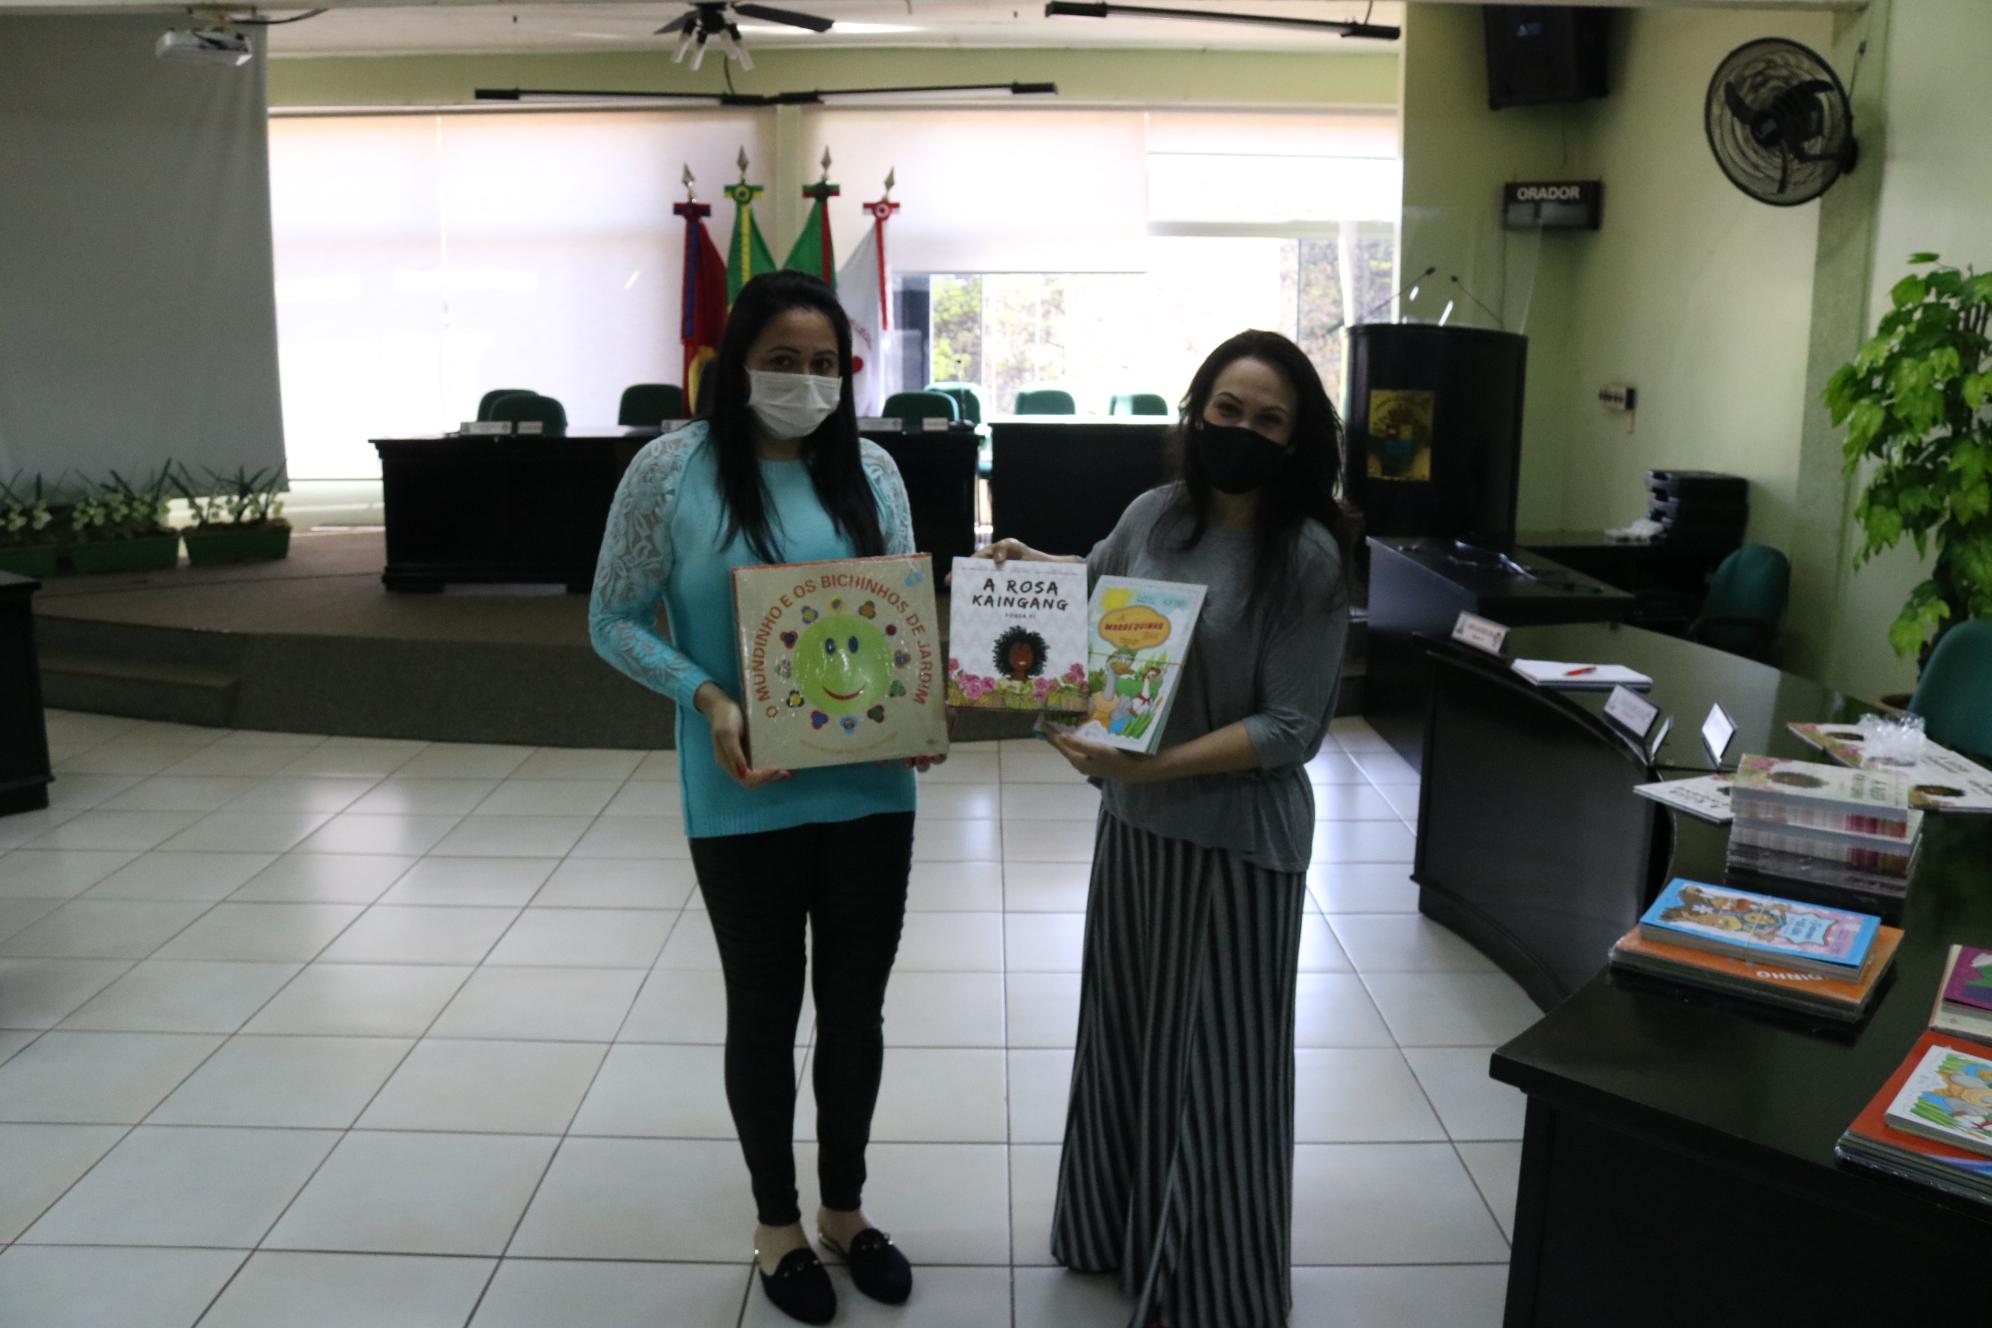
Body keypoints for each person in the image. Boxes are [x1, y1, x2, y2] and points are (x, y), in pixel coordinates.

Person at [976, 329, 1352, 1327]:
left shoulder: (1308, 559)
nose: (1242, 431)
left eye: (1269, 419)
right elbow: (1100, 585)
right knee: (1128, 1038)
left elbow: (1292, 729)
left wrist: (1155, 766)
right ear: (1196, 412)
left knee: (1218, 1065)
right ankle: (1116, 1231)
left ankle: (1211, 1283)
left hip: (1239, 845)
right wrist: (1028, 564)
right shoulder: (1154, 514)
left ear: (1298, 439)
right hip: (1137, 830)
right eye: (1227, 409)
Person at [590, 269, 930, 1326]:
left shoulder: (872, 470)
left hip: (871, 786)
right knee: (765, 1007)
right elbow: (613, 618)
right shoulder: (670, 470)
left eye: (826, 364)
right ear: (734, 363)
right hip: (741, 790)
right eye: (784, 360)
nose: (806, 381)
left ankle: (843, 1207)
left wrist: (917, 705)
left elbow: (897, 612)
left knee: (857, 1011)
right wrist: (706, 695)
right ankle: (776, 1221)